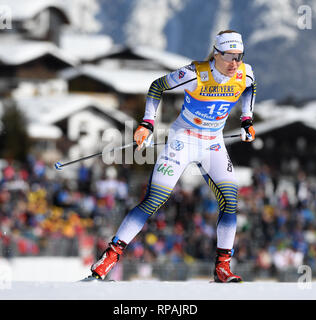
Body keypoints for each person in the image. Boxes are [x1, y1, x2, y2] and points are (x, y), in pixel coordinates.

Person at [83, 30, 256, 282]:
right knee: (154, 200)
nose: (235, 63)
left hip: (213, 143)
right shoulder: (195, 74)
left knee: (230, 201)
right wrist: (147, 124)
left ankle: (222, 267)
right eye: (229, 56)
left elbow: (251, 88)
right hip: (183, 140)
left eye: (239, 56)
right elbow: (157, 87)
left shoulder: (245, 73)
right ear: (216, 54)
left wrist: (246, 120)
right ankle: (111, 255)